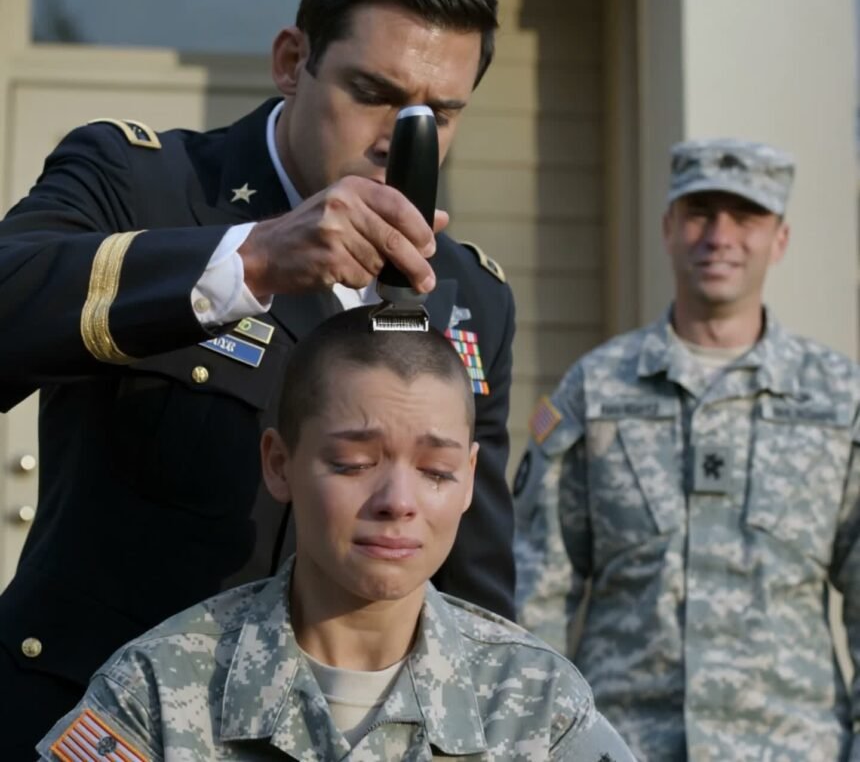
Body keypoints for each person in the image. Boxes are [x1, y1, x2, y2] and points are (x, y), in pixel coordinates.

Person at [0, 0, 517, 757]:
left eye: (439, 115)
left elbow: (474, 580)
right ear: (290, 61)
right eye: (373, 93)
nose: (399, 140)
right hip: (104, 724)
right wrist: (251, 259)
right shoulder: (141, 184)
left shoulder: (471, 295)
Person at [36, 307, 635, 761]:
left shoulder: (536, 704)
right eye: (354, 463)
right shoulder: (157, 693)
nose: (398, 502)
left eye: (436, 471)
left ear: (470, 479)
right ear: (280, 464)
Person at [512, 138, 860, 761]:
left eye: (746, 217)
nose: (720, 237)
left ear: (780, 239)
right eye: (700, 213)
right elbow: (538, 588)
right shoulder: (598, 389)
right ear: (669, 229)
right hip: (623, 747)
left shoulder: (838, 397)